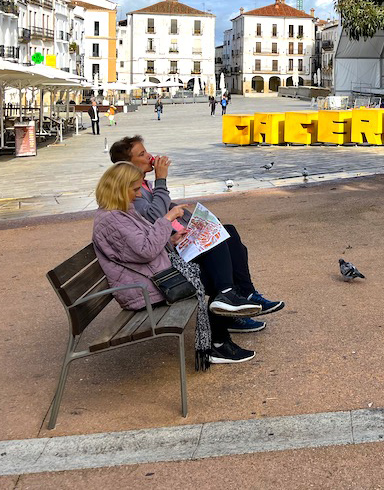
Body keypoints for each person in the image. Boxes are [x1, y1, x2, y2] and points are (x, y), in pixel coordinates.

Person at [109, 134, 284, 335]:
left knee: (228, 233)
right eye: (142, 153)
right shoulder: (133, 192)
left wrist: (194, 222)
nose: (150, 155)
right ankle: (229, 299)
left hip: (173, 241)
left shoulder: (143, 186)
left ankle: (245, 294)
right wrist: (161, 179)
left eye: (146, 150)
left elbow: (162, 212)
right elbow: (155, 217)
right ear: (127, 165)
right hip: (168, 255)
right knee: (217, 241)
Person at [92, 161, 259, 366]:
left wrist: (171, 240)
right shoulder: (112, 220)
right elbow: (146, 251)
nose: (137, 195)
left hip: (153, 276)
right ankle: (221, 328)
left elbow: (139, 249)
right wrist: (168, 218)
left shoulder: (118, 213)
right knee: (217, 266)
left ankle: (225, 312)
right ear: (118, 188)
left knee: (220, 241)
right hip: (146, 288)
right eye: (135, 189)